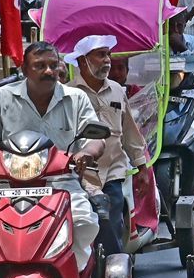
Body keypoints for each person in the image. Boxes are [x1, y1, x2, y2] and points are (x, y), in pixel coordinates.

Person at [0, 42, 104, 271]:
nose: (49, 71)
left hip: (61, 184)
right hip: (7, 187)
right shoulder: (2, 98)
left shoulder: (76, 98)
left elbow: (96, 139)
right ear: (25, 69)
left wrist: (85, 153)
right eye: (40, 66)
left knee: (83, 221)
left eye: (53, 65)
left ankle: (73, 275)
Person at [64, 35, 149, 256]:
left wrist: (142, 167)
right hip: (79, 174)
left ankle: (114, 269)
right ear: (83, 61)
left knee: (110, 224)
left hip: (112, 170)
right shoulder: (68, 94)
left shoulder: (117, 90)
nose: (107, 60)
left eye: (108, 54)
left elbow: (129, 132)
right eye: (101, 55)